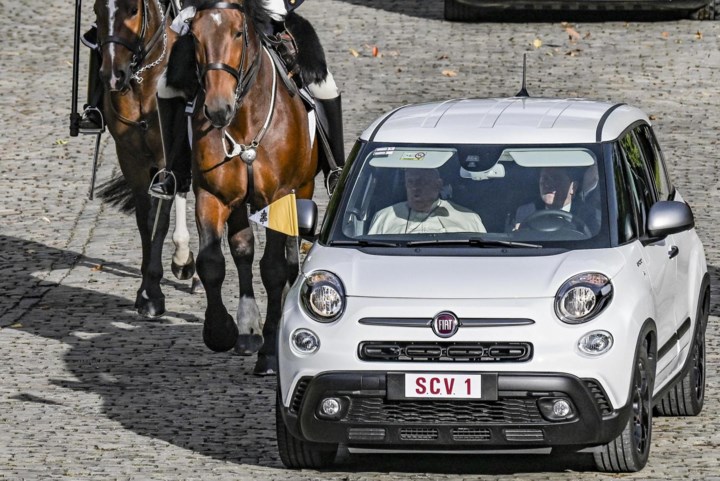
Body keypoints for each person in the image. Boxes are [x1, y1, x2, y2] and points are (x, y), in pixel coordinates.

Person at [78, 0, 345, 195]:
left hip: (265, 17)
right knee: (166, 89)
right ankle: (175, 171)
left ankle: (336, 168)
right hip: (208, 21)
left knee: (326, 86)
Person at [368, 168, 486, 235]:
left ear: (438, 185)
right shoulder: (384, 218)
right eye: (410, 182)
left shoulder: (468, 219)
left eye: (422, 182)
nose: (415, 187)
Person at [513, 166, 599, 234]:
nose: (548, 184)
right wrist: (517, 234)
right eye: (545, 178)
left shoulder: (588, 215)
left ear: (573, 187)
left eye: (556, 179)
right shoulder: (526, 211)